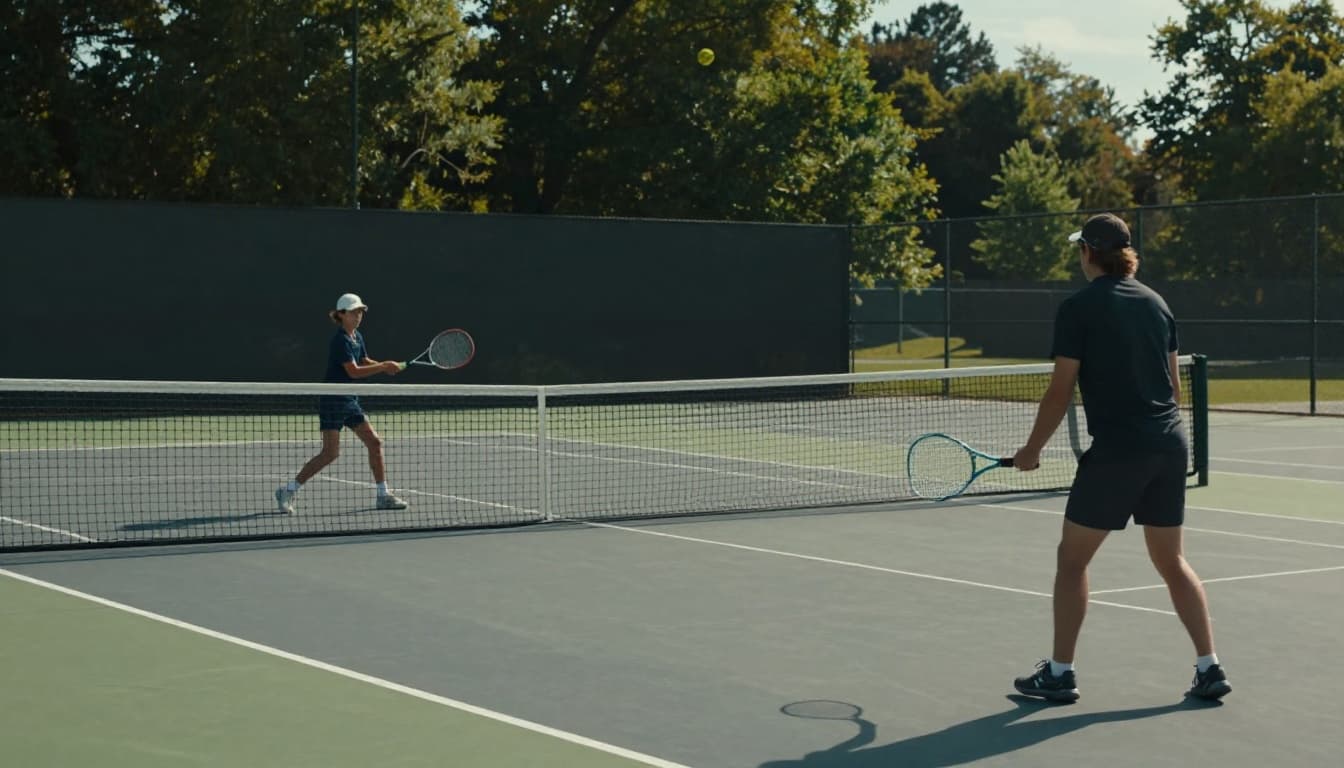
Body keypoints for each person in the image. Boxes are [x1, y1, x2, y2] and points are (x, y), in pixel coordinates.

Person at [1010, 213, 1230, 703]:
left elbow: (1059, 389)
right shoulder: (1157, 303)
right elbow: (1173, 386)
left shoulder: (1078, 308)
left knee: (1071, 560)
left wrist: (1031, 450)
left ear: (1088, 252)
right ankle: (1209, 667)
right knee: (1171, 560)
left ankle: (1060, 674)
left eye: (1079, 249)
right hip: (1170, 445)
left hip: (1119, 452)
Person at [275, 293, 409, 514]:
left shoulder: (357, 336)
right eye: (354, 312)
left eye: (360, 312)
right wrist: (384, 366)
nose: (359, 316)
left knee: (374, 443)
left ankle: (383, 495)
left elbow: (364, 361)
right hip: (332, 400)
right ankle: (288, 490)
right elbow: (353, 371)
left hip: (349, 400)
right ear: (342, 314)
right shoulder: (340, 340)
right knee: (330, 453)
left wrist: (386, 366)